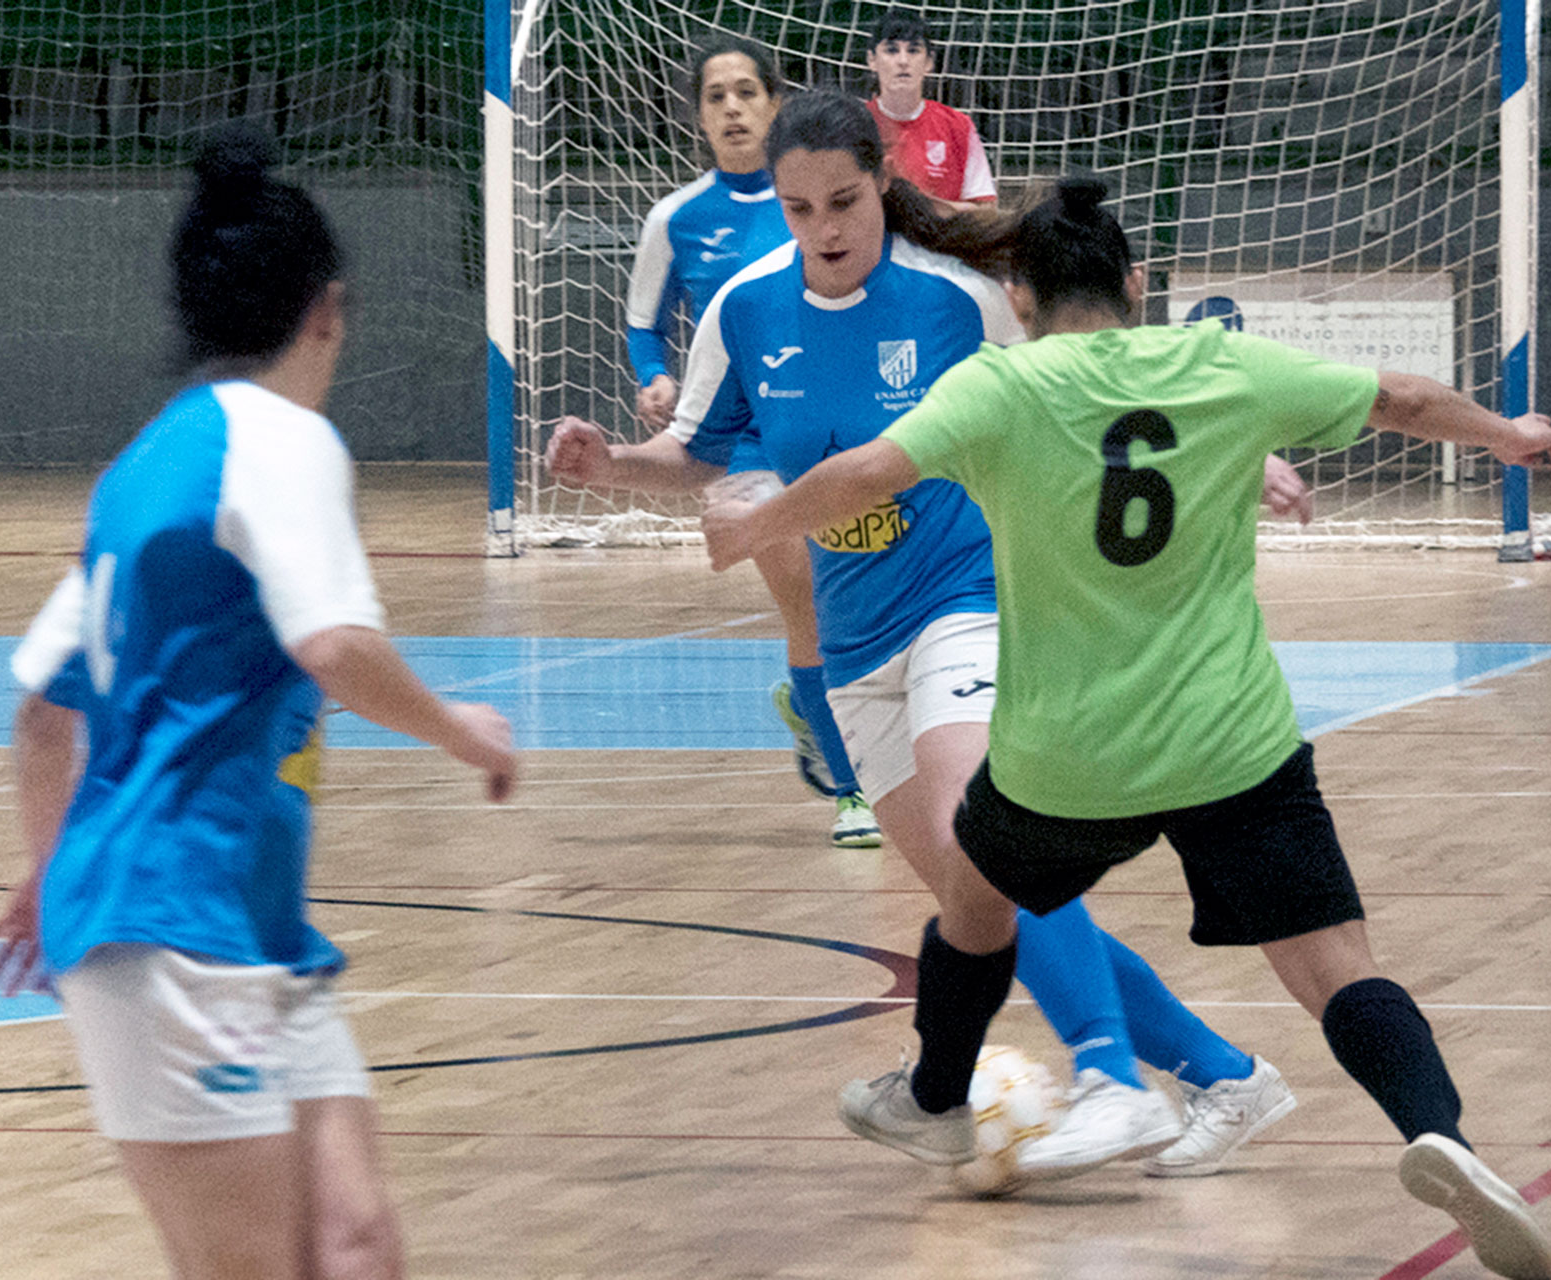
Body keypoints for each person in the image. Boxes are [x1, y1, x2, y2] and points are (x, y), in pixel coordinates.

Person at [701, 174, 1551, 1278]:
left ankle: (931, 1093)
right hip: (1232, 744)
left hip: (1066, 759)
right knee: (1337, 969)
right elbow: (1401, 397)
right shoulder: (1225, 366)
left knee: (975, 900)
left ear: (1019, 296)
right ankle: (1436, 1130)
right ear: (1138, 283)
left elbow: (862, 474)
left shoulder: (1000, 385)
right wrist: (1510, 433)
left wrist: (752, 527)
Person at [551, 90, 1296, 1184]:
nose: (825, 228)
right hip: (853, 643)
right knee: (973, 892)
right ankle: (1226, 1073)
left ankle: (1112, 1079)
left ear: (882, 185)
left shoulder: (956, 299)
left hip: (972, 597)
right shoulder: (747, 310)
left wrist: (1229, 453)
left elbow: (1095, 376)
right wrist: (613, 462)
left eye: (845, 200)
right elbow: (700, 448)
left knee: (981, 841)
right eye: (800, 209)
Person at [0, 123, 520, 1280]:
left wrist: (44, 870)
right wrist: (459, 726)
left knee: (357, 1243)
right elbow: (334, 643)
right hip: (173, 922)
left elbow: (40, 706)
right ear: (329, 308)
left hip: (245, 925)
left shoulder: (146, 464)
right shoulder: (285, 441)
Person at [623, 31, 879, 849]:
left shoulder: (823, 194)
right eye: (715, 95)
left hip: (839, 428)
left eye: (747, 92)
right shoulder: (678, 218)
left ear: (776, 105)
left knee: (869, 595)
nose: (732, 108)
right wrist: (654, 375)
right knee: (809, 597)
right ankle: (851, 792)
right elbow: (641, 324)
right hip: (748, 443)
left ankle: (817, 708)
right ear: (697, 116)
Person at [864, 9, 996, 208]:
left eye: (913, 50)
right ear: (872, 60)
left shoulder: (958, 126)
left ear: (929, 62)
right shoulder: (853, 124)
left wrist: (919, 206)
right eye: (891, 50)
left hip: (938, 238)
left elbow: (986, 211)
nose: (903, 61)